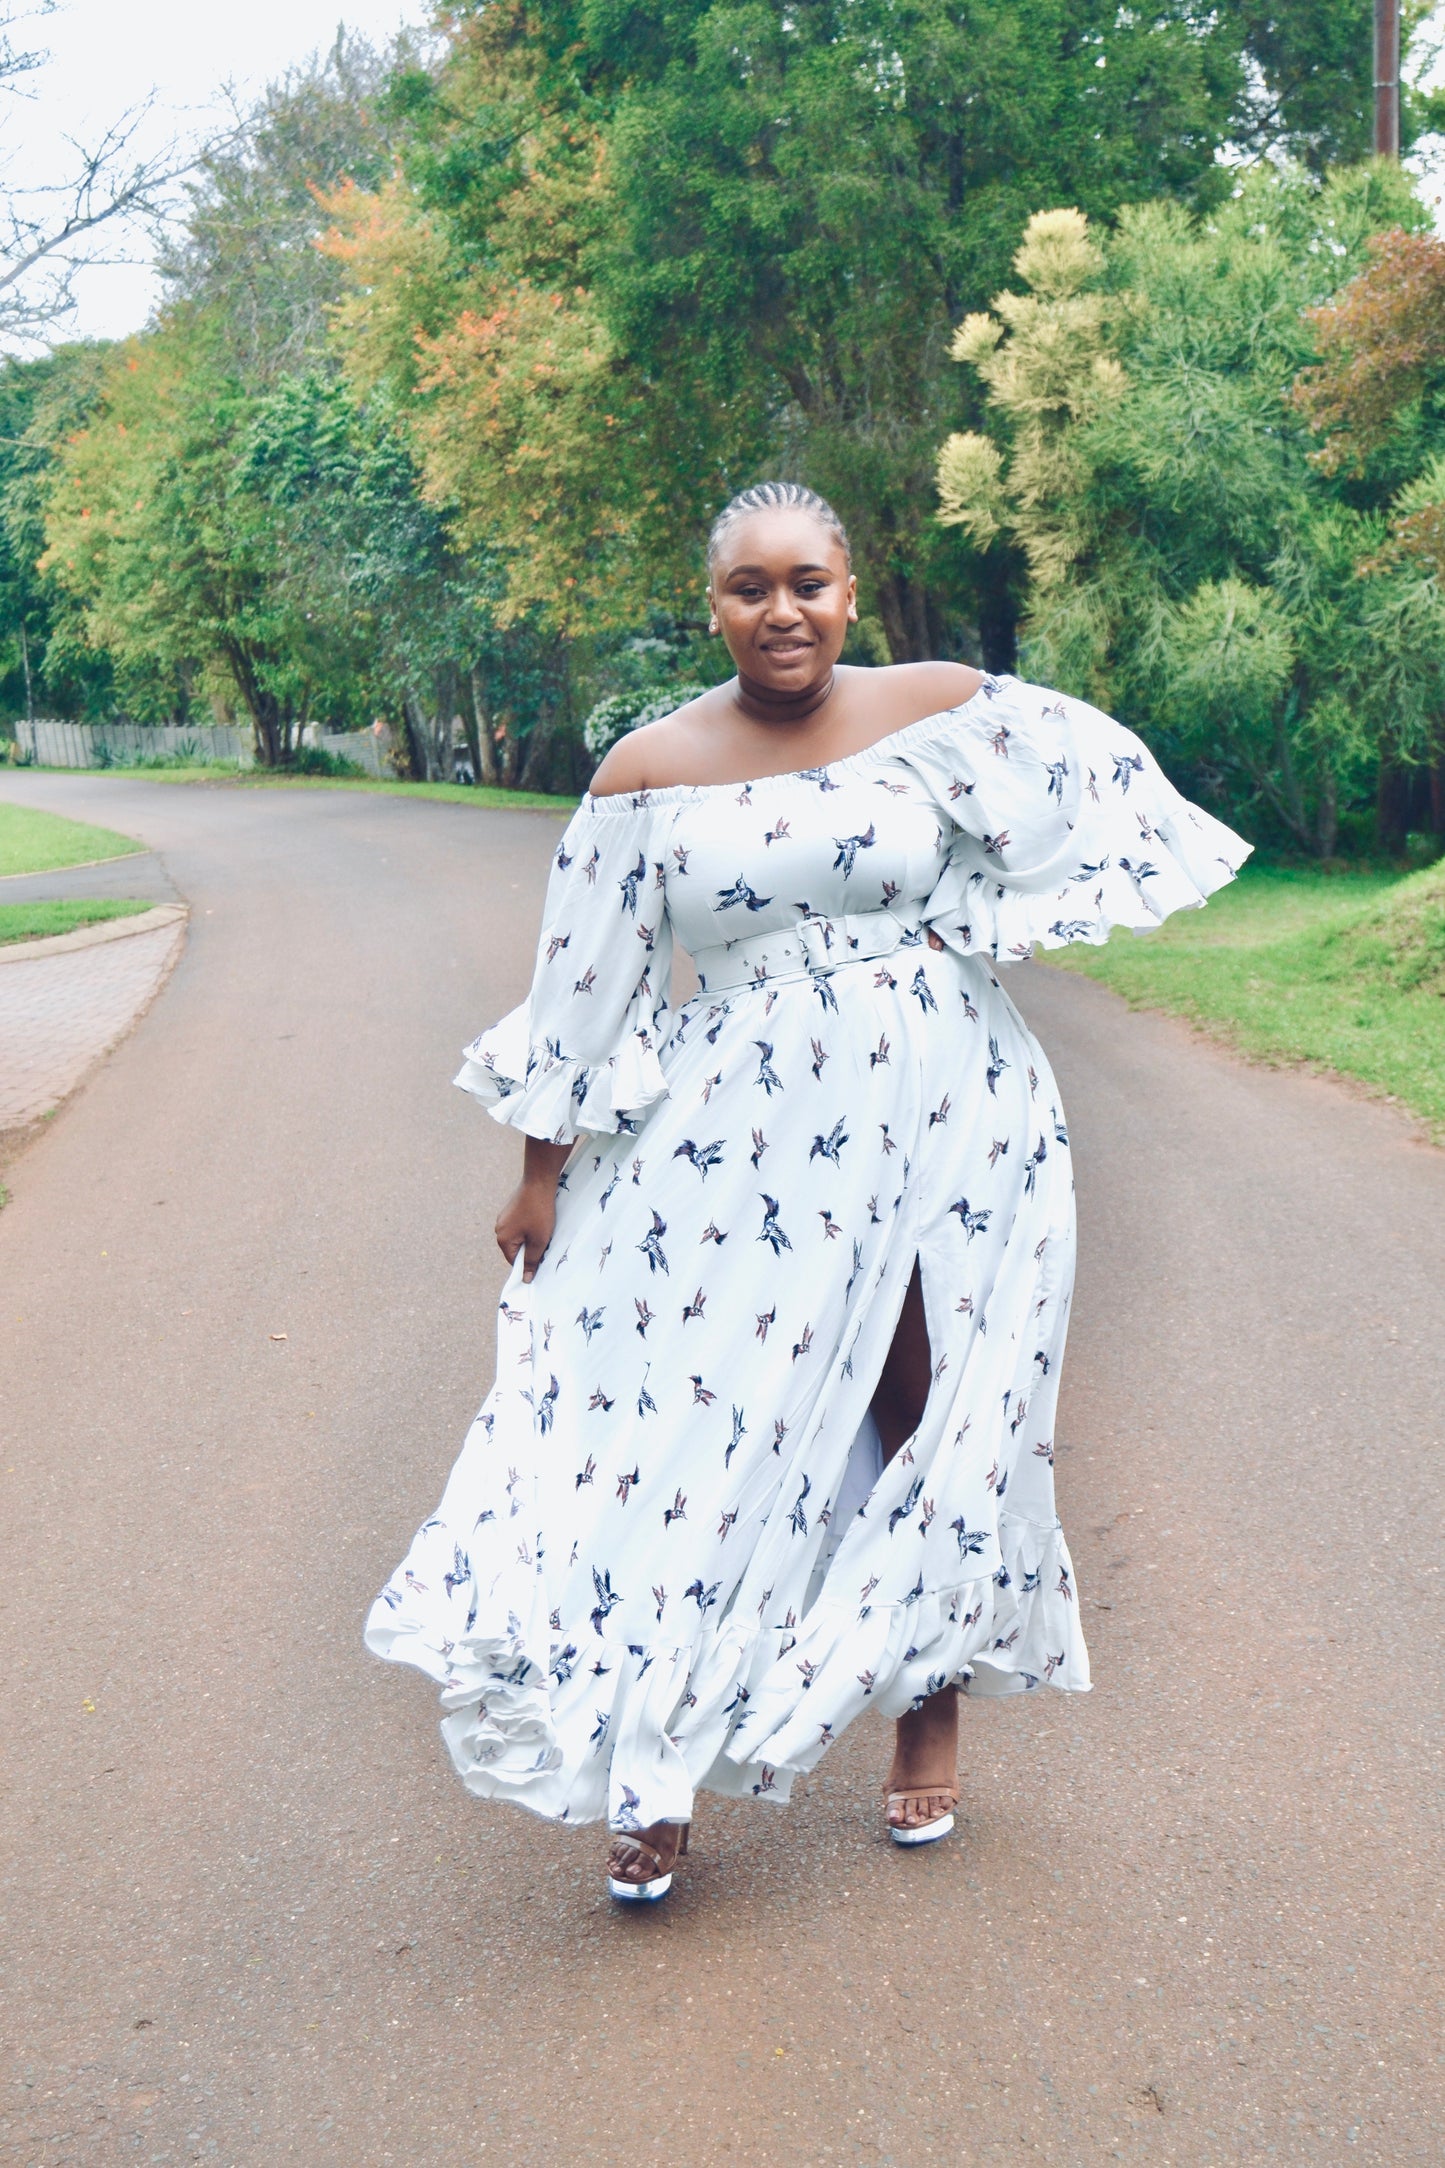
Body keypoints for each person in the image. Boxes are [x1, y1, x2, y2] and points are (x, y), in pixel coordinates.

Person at [366, 481, 1249, 1902]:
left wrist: (990, 917)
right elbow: (580, 993)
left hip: (952, 1119)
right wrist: (540, 1177)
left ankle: (924, 1703)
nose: (782, 612)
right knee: (691, 1435)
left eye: (809, 584)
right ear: (709, 602)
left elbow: (1085, 803)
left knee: (926, 1406)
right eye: (749, 588)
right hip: (735, 1141)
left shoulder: (950, 712)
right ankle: (649, 1768)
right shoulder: (643, 775)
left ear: (851, 590)